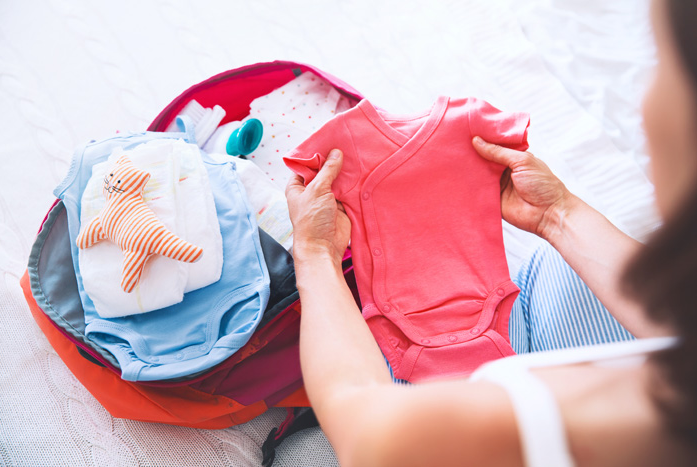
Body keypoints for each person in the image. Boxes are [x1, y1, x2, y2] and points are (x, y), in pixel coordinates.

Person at [284, 0, 697, 464]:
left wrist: (314, 254)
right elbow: (675, 313)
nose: (644, 105)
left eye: (663, 66)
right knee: (554, 264)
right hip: (473, 338)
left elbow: (365, 421)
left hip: (427, 416)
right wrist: (556, 213)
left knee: (301, 453)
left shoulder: (561, 422)